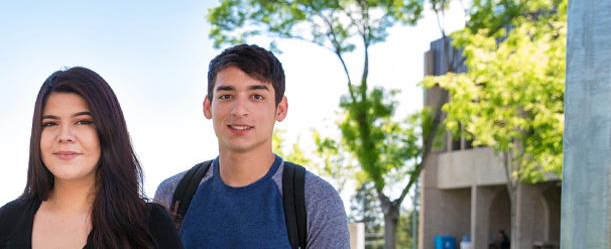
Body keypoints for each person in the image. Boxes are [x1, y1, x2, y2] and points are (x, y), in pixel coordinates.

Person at [154, 44, 350, 248]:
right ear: (207, 106)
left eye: (257, 97)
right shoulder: (173, 194)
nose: (239, 110)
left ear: (280, 109)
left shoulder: (316, 200)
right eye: (226, 96)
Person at [0, 67, 183, 249]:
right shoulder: (7, 222)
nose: (64, 135)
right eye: (50, 123)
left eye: (83, 122)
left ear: (108, 130)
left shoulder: (150, 227)